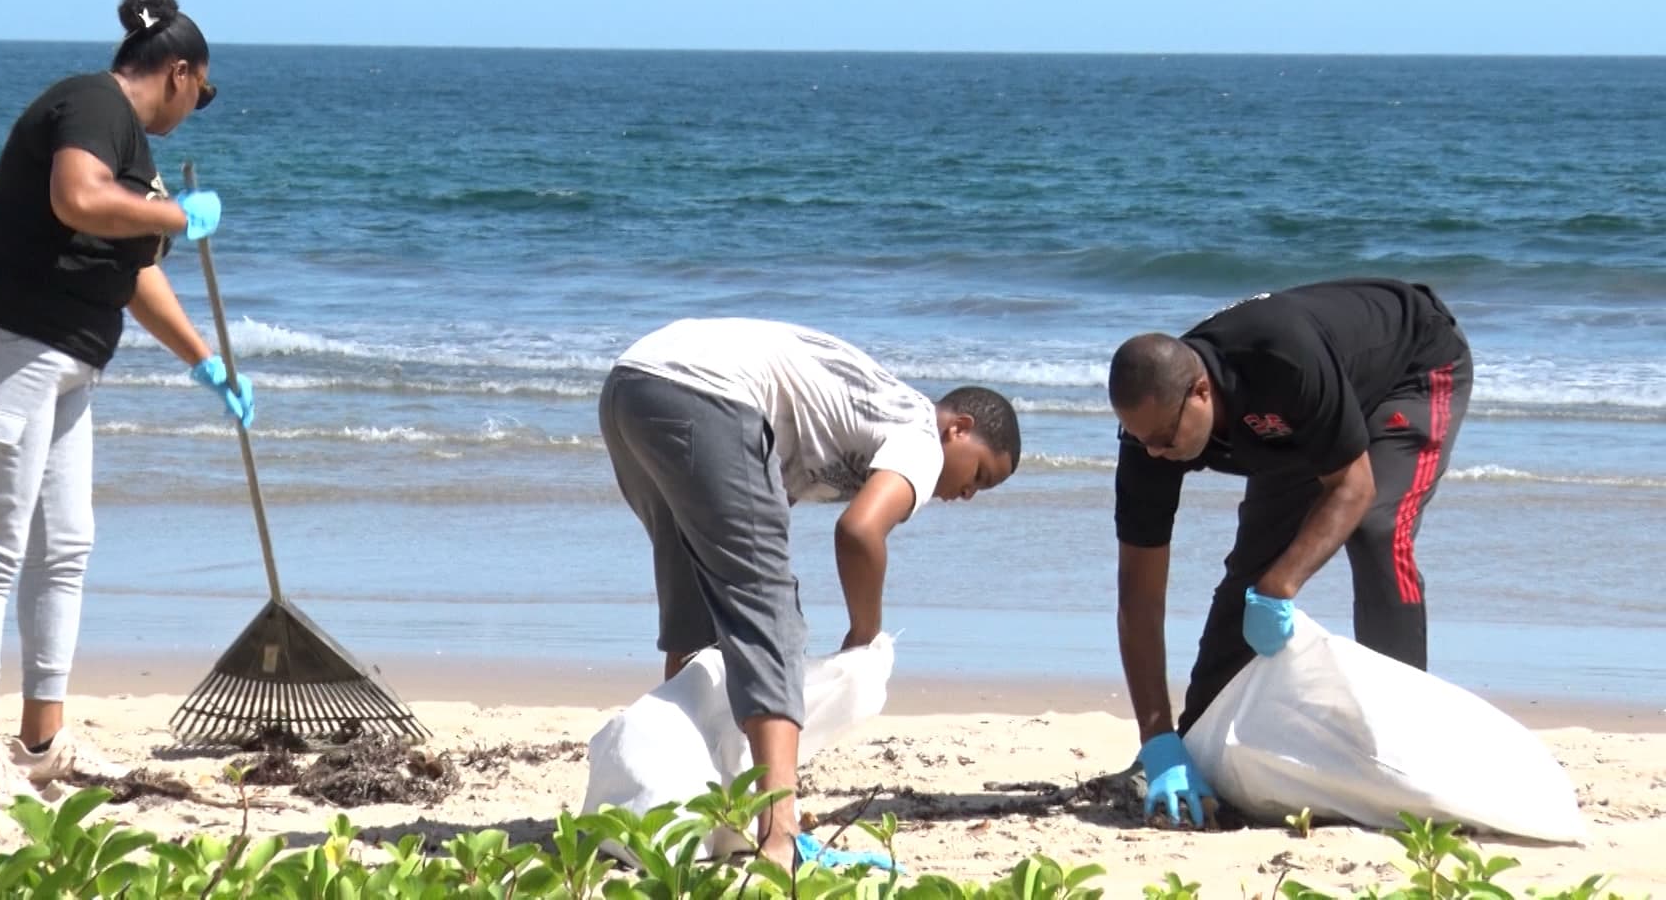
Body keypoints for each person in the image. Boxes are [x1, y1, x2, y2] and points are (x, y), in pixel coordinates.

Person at [0, 0, 254, 808]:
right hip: (3, 346)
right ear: (177, 72)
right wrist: (178, 215)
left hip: (69, 360)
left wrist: (205, 360)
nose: (197, 108)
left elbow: (133, 271)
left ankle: (42, 740)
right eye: (202, 93)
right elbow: (74, 199)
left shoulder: (132, 156)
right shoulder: (89, 104)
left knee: (67, 543)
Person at [597, 317, 1022, 866]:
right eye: (981, 476)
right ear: (958, 429)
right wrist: (864, 635)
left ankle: (677, 802)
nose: (967, 494)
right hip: (708, 394)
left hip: (631, 388)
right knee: (769, 619)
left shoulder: (861, 416)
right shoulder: (921, 436)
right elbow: (860, 530)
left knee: (699, 610)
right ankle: (779, 838)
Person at [1107, 278, 1472, 826]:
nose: (1156, 454)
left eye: (1164, 438)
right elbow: (1138, 593)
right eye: (1142, 440)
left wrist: (1281, 588)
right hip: (1296, 425)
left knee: (1374, 530)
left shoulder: (1281, 358)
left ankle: (1406, 748)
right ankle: (1196, 743)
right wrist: (1156, 739)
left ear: (1202, 392)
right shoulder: (1149, 437)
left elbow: (1354, 486)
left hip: (1410, 370)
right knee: (1253, 568)